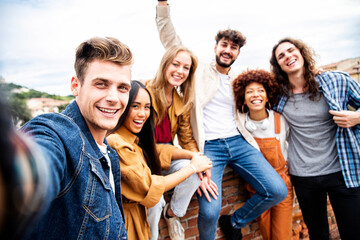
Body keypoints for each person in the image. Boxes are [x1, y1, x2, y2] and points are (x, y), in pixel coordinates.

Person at [155, 1, 288, 240]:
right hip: (210, 148)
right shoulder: (198, 71)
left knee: (277, 190)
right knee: (209, 211)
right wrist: (163, 5)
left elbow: (264, 95)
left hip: (239, 143)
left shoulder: (240, 79)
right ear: (216, 47)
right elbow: (171, 41)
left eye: (233, 47)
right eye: (224, 45)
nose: (228, 50)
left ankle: (235, 222)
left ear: (238, 53)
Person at [20, 37, 132, 239]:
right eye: (101, 84)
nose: (114, 97)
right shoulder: (56, 133)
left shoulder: (106, 152)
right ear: (75, 85)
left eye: (122, 88)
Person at [270, 37, 360, 240]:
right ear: (278, 66)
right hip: (304, 177)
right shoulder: (277, 94)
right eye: (281, 56)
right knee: (318, 235)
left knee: (354, 232)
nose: (288, 57)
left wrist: (356, 117)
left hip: (342, 171)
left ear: (301, 53)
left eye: (291, 51)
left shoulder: (336, 80)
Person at [107, 80, 212, 240]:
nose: (142, 113)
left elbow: (159, 151)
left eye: (147, 107)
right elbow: (149, 186)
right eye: (135, 106)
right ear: (122, 106)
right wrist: (191, 168)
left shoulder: (131, 139)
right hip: (126, 224)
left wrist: (191, 155)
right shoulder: (116, 141)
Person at [144, 44, 217, 240]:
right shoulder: (144, 92)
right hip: (144, 157)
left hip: (168, 155)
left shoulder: (182, 101)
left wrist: (200, 163)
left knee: (193, 174)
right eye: (175, 64)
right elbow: (142, 144)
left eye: (186, 68)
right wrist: (193, 156)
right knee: (154, 201)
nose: (180, 71)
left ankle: (172, 214)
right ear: (165, 64)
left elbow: (186, 138)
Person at [233, 69, 294, 240]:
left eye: (260, 91)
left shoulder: (281, 119)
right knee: (266, 235)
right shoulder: (239, 123)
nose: (255, 95)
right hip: (258, 190)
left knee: (282, 236)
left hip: (283, 184)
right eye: (249, 92)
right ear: (243, 98)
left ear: (268, 96)